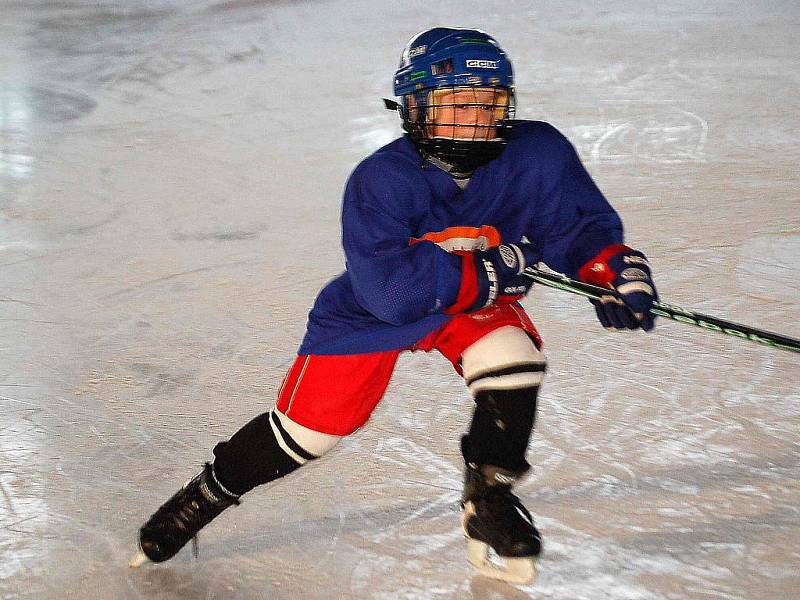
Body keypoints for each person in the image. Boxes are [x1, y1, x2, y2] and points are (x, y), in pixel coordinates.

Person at [130, 27, 657, 585]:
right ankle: (206, 495)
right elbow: (391, 294)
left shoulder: (538, 152)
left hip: (471, 303)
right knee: (305, 436)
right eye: (457, 103)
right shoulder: (379, 180)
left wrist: (610, 268)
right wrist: (490, 270)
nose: (477, 116)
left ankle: (489, 500)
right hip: (367, 317)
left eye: (490, 101)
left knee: (514, 357)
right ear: (413, 108)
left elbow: (575, 227)